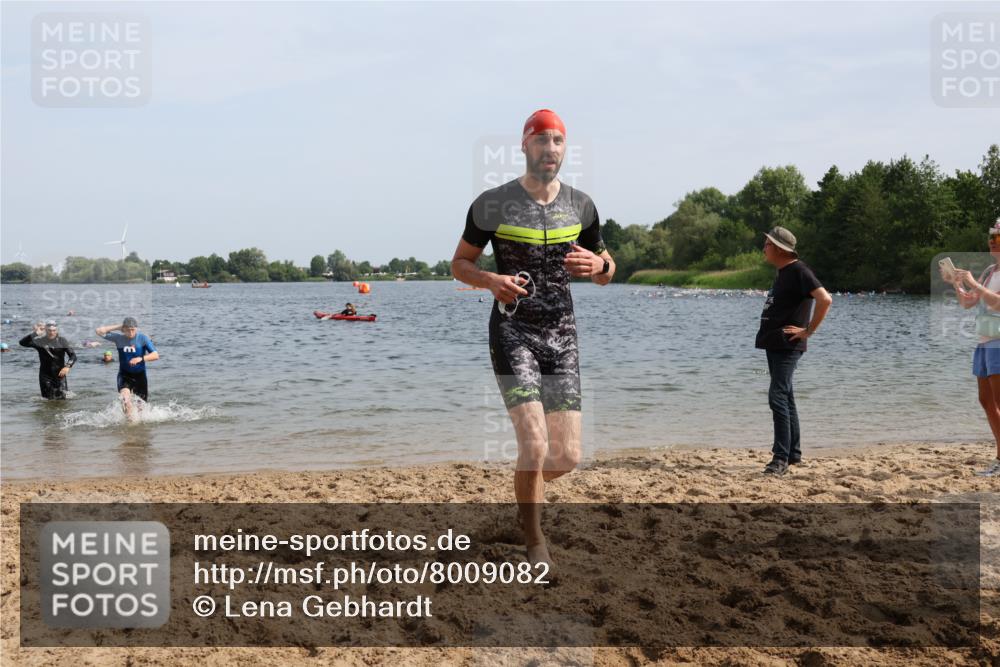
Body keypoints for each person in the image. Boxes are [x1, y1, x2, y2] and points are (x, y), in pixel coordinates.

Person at [451, 109, 615, 566]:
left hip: (563, 335)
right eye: (541, 140)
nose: (550, 149)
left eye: (558, 141)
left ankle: (525, 503)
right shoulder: (493, 204)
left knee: (567, 457)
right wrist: (489, 281)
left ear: (566, 149)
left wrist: (600, 268)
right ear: (524, 146)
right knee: (535, 445)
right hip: (513, 330)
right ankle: (534, 539)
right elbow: (459, 264)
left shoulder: (582, 205)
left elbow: (608, 267)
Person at [755, 227, 832, 476]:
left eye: (766, 243)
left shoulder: (799, 270)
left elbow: (825, 299)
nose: (763, 247)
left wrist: (809, 330)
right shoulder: (784, 272)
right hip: (776, 343)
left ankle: (780, 460)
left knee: (776, 396)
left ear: (779, 248)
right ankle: (793, 454)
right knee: (785, 395)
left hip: (787, 344)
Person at [946, 219, 1000, 477]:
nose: (993, 241)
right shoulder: (990, 271)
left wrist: (973, 283)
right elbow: (969, 303)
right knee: (986, 401)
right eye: (991, 236)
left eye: (998, 238)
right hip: (984, 342)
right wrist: (956, 284)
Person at [95, 317, 159, 421]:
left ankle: (138, 430)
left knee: (141, 409)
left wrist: (141, 358)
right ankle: (129, 427)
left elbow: (155, 355)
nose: (130, 332)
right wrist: (119, 326)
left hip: (140, 376)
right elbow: (98, 331)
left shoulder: (143, 338)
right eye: (128, 329)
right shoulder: (118, 338)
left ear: (136, 329)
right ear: (123, 329)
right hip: (124, 375)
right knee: (125, 400)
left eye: (133, 329)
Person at [19, 320, 76, 399]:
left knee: (63, 399)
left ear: (57, 331)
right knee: (48, 400)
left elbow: (73, 355)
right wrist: (35, 333)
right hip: (45, 376)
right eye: (49, 330)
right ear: (46, 330)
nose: (51, 332)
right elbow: (22, 343)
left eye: (54, 330)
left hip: (60, 374)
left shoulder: (62, 341)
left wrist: (67, 366)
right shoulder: (40, 341)